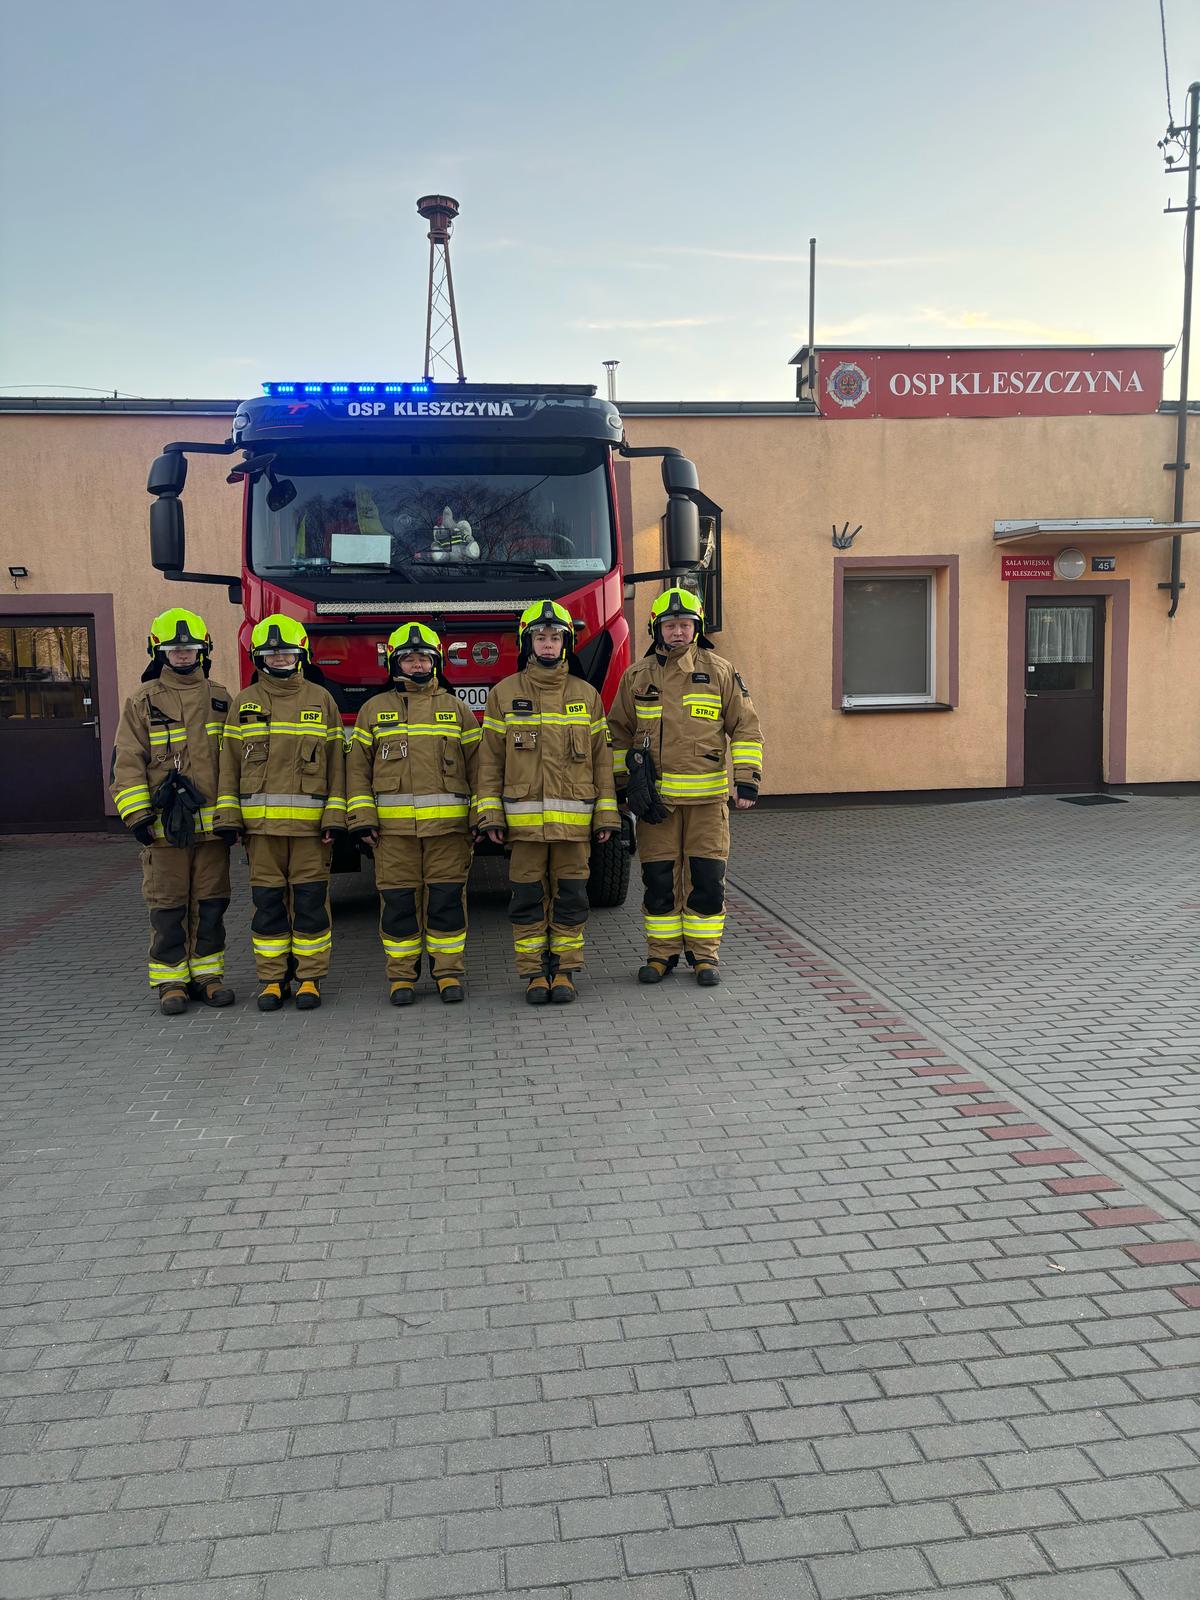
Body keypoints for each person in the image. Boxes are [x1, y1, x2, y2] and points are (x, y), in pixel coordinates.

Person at [608, 585, 763, 987]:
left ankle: (704, 956)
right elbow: (617, 733)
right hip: (655, 805)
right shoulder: (637, 677)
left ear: (697, 628)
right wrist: (621, 787)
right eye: (670, 625)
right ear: (655, 629)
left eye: (685, 624)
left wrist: (746, 780)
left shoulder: (720, 672)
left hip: (707, 805)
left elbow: (746, 728)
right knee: (659, 881)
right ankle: (660, 954)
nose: (678, 632)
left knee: (707, 881)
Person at [475, 600, 620, 1005]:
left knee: (571, 899)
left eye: (556, 637)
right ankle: (534, 974)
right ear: (528, 643)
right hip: (524, 831)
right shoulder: (504, 694)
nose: (548, 644)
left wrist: (606, 814)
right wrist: (490, 813)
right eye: (541, 637)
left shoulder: (586, 696)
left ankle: (565, 973)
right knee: (526, 900)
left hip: (574, 830)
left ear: (566, 643)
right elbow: (489, 762)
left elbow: (602, 762)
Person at [214, 615, 346, 1011]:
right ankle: (272, 980)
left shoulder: (321, 700)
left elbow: (338, 765)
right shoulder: (245, 703)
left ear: (301, 655)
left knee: (310, 905)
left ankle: (309, 979)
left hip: (311, 833)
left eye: (287, 653)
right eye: (272, 653)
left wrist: (335, 817)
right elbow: (229, 765)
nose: (280, 659)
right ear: (259, 657)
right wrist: (229, 819)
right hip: (262, 833)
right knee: (268, 906)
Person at [346, 621, 480, 1005]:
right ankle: (401, 977)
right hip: (392, 835)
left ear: (436, 662)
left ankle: (448, 973)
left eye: (424, 658)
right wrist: (362, 819)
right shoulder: (373, 711)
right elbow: (357, 772)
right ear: (395, 663)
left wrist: (480, 817)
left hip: (449, 833)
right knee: (399, 905)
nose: (417, 665)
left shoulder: (457, 710)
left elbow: (479, 769)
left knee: (447, 902)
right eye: (409, 659)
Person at [109, 608, 235, 1015]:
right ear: (158, 651)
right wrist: (137, 816)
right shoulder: (141, 701)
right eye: (174, 649)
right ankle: (171, 982)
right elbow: (127, 761)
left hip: (213, 830)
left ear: (203, 650)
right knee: (168, 906)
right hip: (164, 830)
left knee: (211, 904)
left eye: (190, 648)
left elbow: (237, 761)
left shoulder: (221, 698)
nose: (182, 654)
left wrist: (235, 816)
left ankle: (209, 977)